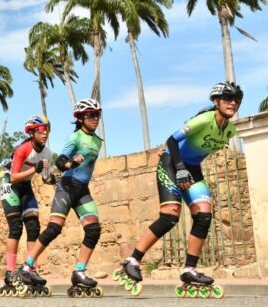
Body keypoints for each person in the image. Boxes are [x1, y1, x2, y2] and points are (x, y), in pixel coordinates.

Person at [117, 82, 242, 299]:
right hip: (172, 165)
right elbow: (172, 141)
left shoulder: (230, 130)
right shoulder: (204, 119)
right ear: (216, 102)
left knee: (203, 216)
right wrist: (180, 167)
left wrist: (189, 170)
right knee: (170, 217)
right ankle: (133, 259)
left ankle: (188, 269)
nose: (233, 103)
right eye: (227, 98)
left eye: (236, 99)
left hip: (192, 169)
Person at [17, 99, 104, 298]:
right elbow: (61, 160)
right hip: (66, 187)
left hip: (82, 190)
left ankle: (79, 272)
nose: (95, 119)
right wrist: (71, 164)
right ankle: (27, 267)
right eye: (91, 115)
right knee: (54, 229)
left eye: (97, 115)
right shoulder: (76, 137)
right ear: (81, 118)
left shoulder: (98, 141)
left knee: (94, 230)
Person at [0, 115, 53, 295]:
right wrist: (34, 169)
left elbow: (45, 178)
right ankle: (9, 271)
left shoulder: (48, 153)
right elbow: (13, 177)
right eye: (40, 130)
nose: (44, 133)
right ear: (31, 133)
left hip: (26, 187)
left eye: (46, 129)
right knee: (15, 229)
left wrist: (54, 179)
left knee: (33, 227)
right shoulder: (23, 149)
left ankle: (31, 269)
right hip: (10, 186)